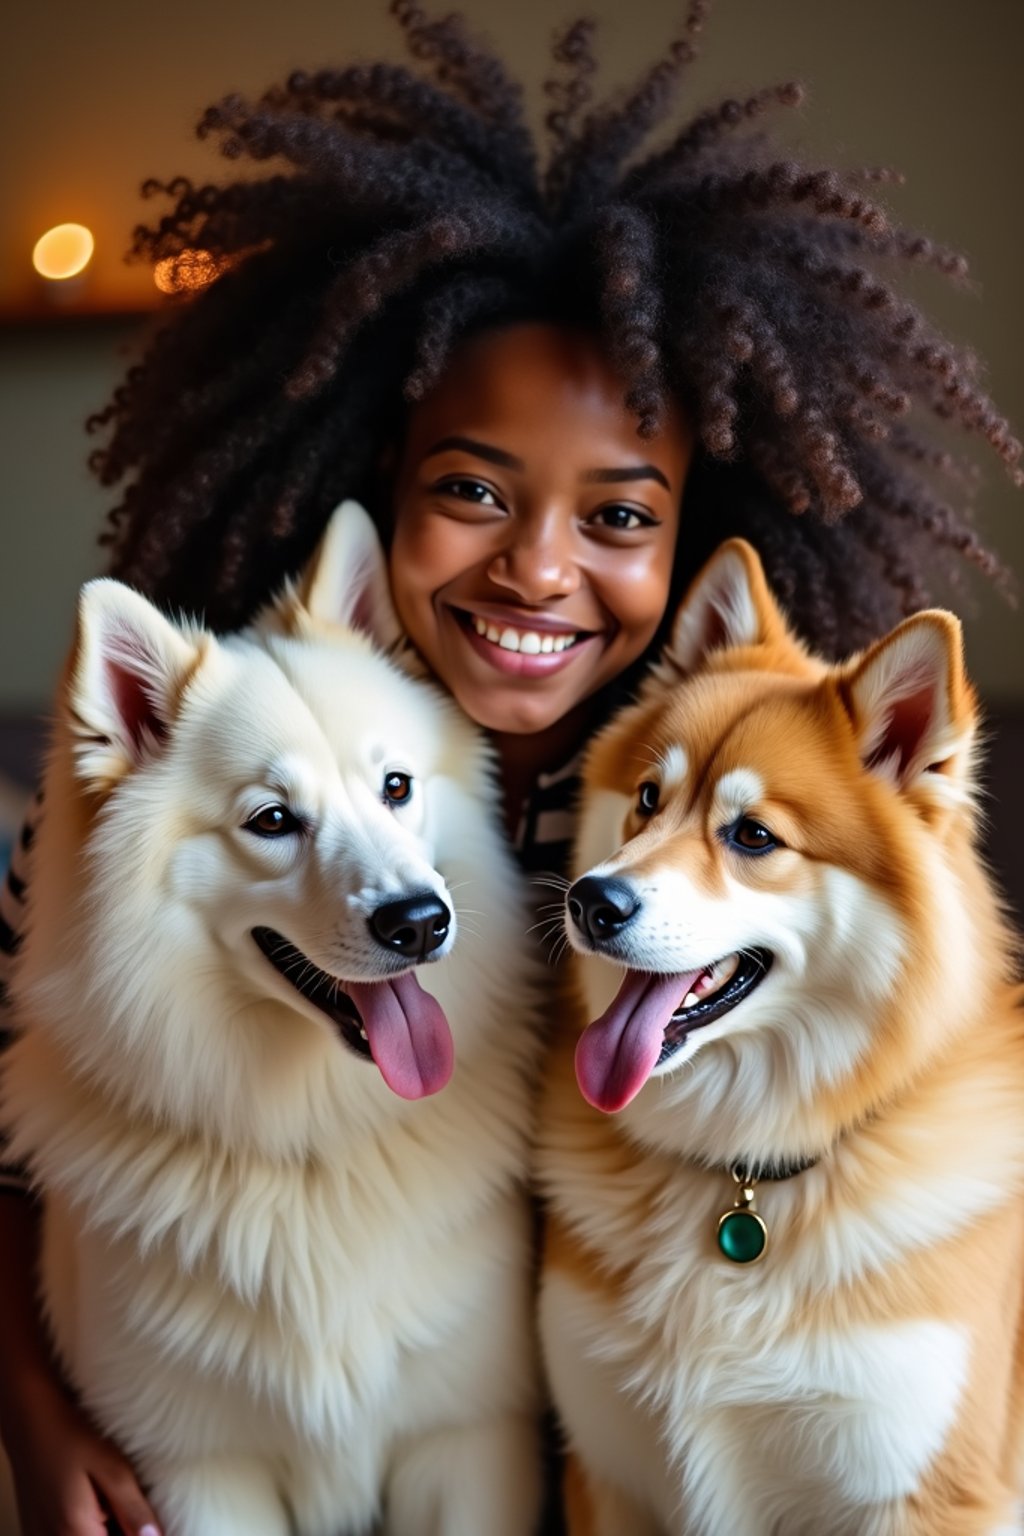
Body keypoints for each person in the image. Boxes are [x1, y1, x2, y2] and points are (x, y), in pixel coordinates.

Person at [0, 2, 1018, 1532]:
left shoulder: (779, 760)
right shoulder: (213, 759)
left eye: (618, 516)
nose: (538, 569)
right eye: (470, 490)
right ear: (371, 482)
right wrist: (28, 1398)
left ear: (693, 537)